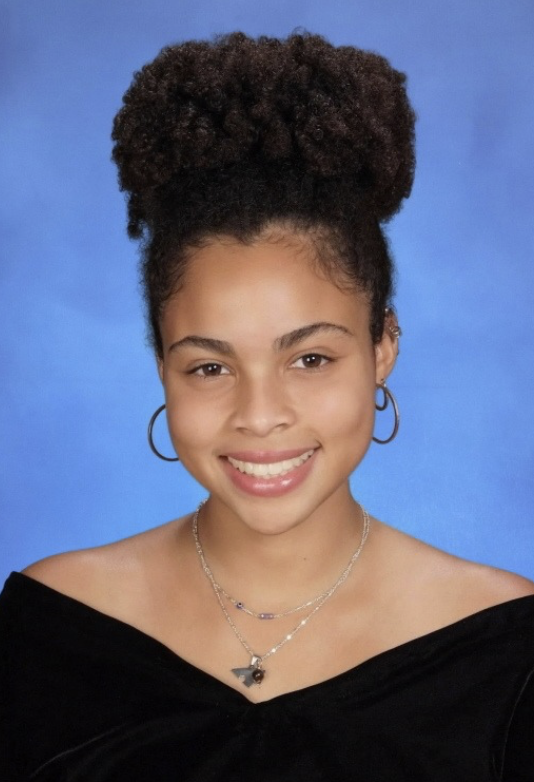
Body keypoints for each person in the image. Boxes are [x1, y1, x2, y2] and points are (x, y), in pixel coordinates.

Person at [1, 32, 533, 782]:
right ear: (162, 368)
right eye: (210, 366)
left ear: (383, 348)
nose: (259, 414)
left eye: (309, 358)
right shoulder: (49, 626)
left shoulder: (504, 646)